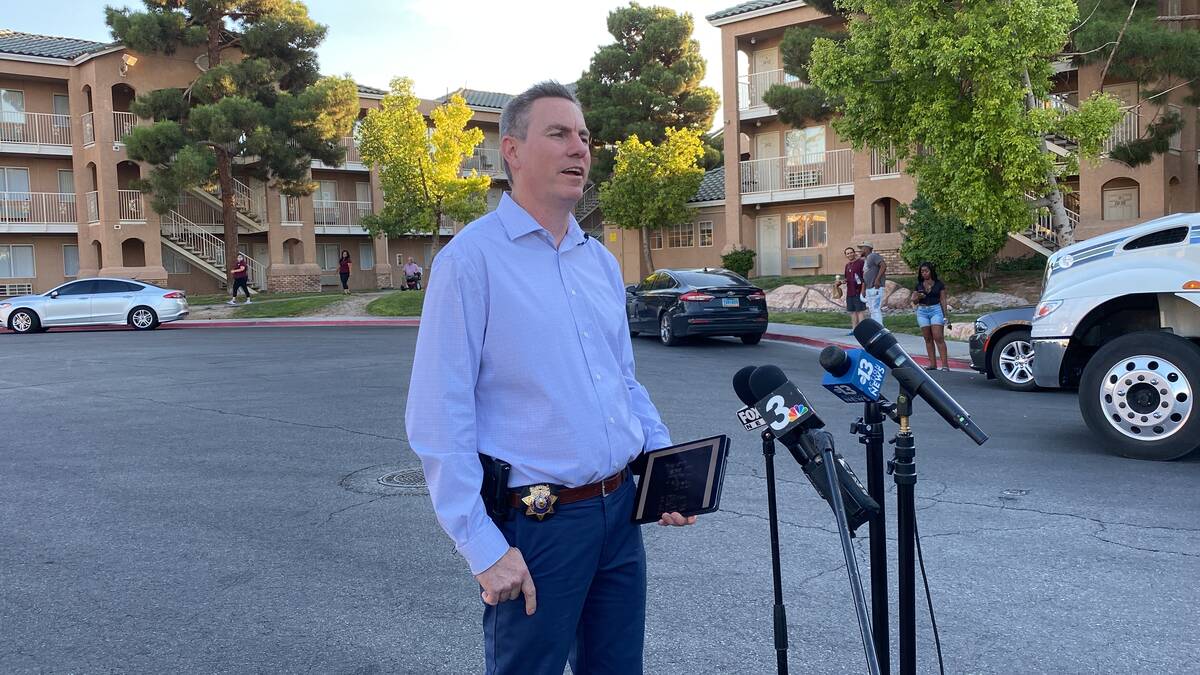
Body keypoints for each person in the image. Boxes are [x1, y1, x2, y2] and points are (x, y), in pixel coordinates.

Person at [404, 81, 696, 675]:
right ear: (511, 151)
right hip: (538, 525)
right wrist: (482, 547)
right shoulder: (471, 261)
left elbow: (622, 381)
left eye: (584, 136)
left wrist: (663, 466)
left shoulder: (600, 262)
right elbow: (439, 412)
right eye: (559, 134)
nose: (579, 148)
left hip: (619, 514)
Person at [911, 261, 952, 371]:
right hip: (922, 311)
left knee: (938, 337)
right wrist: (918, 297)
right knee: (928, 338)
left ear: (931, 271)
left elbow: (943, 300)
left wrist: (945, 316)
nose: (924, 273)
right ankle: (933, 364)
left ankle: (945, 365)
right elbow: (914, 301)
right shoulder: (919, 285)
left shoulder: (939, 284)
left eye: (926, 271)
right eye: (922, 271)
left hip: (936, 310)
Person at [835, 246, 865, 331]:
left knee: (860, 311)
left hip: (859, 291)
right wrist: (841, 282)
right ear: (846, 255)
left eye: (851, 252)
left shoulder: (861, 262)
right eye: (848, 253)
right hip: (850, 292)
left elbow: (864, 277)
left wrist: (863, 290)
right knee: (852, 311)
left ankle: (863, 330)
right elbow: (847, 279)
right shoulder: (847, 265)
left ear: (854, 253)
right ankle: (854, 330)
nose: (850, 254)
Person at [859, 241, 887, 324]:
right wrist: (863, 289)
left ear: (868, 248)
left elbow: (883, 266)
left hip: (875, 287)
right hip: (869, 288)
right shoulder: (867, 259)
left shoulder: (873, 256)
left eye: (862, 248)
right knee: (872, 310)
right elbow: (865, 275)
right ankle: (876, 327)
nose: (861, 250)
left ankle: (879, 328)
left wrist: (877, 279)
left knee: (875, 309)